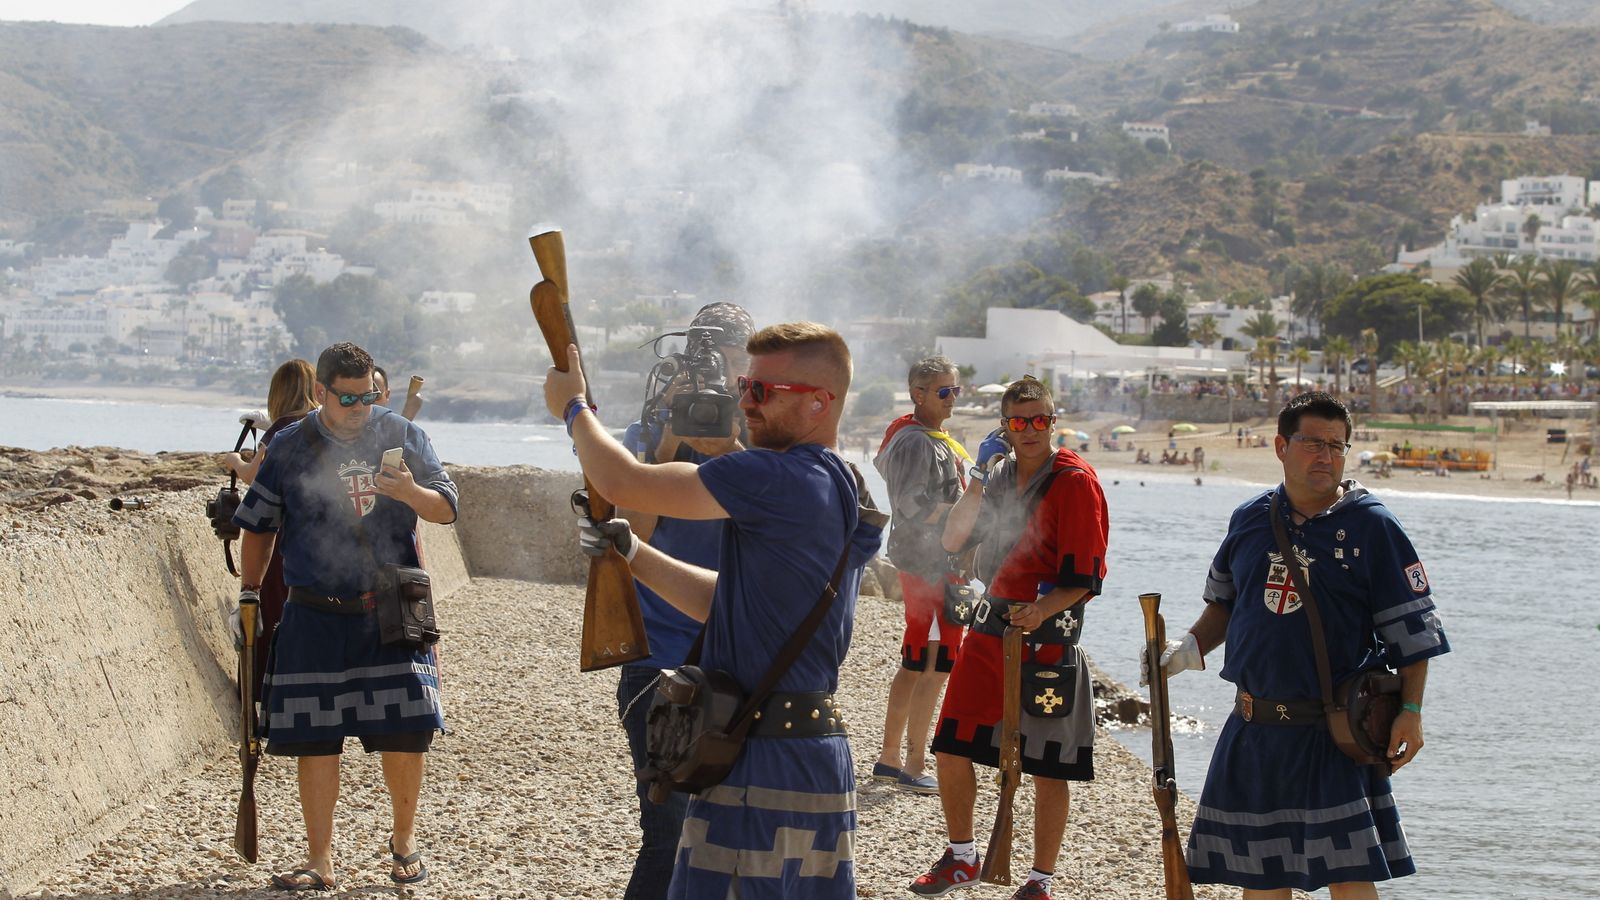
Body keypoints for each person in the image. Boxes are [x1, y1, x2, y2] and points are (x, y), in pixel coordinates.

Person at [548, 322, 883, 899]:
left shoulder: (775, 476)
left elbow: (622, 477)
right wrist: (633, 552)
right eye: (744, 387)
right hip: (801, 753)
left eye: (762, 392)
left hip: (761, 755)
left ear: (819, 402)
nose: (745, 402)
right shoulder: (841, 481)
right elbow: (727, 602)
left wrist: (574, 406)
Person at [1147, 391, 1450, 897]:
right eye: (1313, 443)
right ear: (1281, 446)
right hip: (1254, 727)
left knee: (1350, 878)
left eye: (1338, 445)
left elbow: (1413, 634)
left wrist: (1412, 709)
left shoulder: (1373, 526)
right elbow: (1225, 605)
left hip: (1332, 732)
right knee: (1259, 879)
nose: (1326, 456)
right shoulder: (1248, 519)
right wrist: (1184, 650)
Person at [231, 342, 459, 891]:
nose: (360, 408)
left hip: (390, 609)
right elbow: (259, 526)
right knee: (315, 738)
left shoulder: (403, 433)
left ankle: (404, 844)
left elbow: (448, 508)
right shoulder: (289, 445)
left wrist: (410, 491)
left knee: (407, 733)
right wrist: (249, 594)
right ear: (320, 393)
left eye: (369, 396)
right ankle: (320, 859)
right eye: (347, 398)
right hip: (313, 613)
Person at [910, 376, 1109, 900]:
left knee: (1047, 767)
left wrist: (1042, 608)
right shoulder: (996, 478)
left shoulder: (1075, 481)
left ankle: (1040, 880)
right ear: (1005, 425)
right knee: (951, 747)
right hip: (989, 629)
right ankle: (962, 856)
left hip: (1047, 639)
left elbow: (1086, 578)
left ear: (1052, 419)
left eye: (1039, 420)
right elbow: (954, 538)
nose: (1030, 431)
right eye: (1018, 422)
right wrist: (976, 474)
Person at [613, 301, 754, 900]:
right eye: (706, 350)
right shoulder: (645, 433)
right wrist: (667, 444)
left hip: (744, 656)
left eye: (729, 351)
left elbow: (780, 517)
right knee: (667, 832)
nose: (717, 368)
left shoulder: (761, 434)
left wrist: (731, 442)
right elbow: (631, 536)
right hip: (658, 656)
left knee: (740, 832)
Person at [872, 356, 972, 794]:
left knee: (919, 663)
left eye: (956, 391)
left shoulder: (924, 437)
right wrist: (971, 515)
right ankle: (910, 761)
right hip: (930, 566)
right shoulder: (917, 443)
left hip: (928, 565)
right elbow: (912, 505)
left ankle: (891, 758)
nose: (953, 399)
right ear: (918, 394)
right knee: (931, 665)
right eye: (944, 391)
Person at [222, 357, 319, 688]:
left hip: (277, 535)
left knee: (270, 607)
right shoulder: (319, 424)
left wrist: (235, 461)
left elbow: (257, 476)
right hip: (310, 537)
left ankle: (263, 684)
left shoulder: (282, 428)